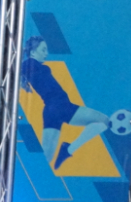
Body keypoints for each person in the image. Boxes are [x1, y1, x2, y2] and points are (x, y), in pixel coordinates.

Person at [20, 35, 109, 171]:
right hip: (60, 106)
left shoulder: (30, 65)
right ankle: (68, 149)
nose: (46, 53)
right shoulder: (29, 64)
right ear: (32, 52)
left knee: (47, 156)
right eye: (43, 50)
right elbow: (16, 68)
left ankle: (62, 154)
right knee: (104, 120)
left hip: (52, 109)